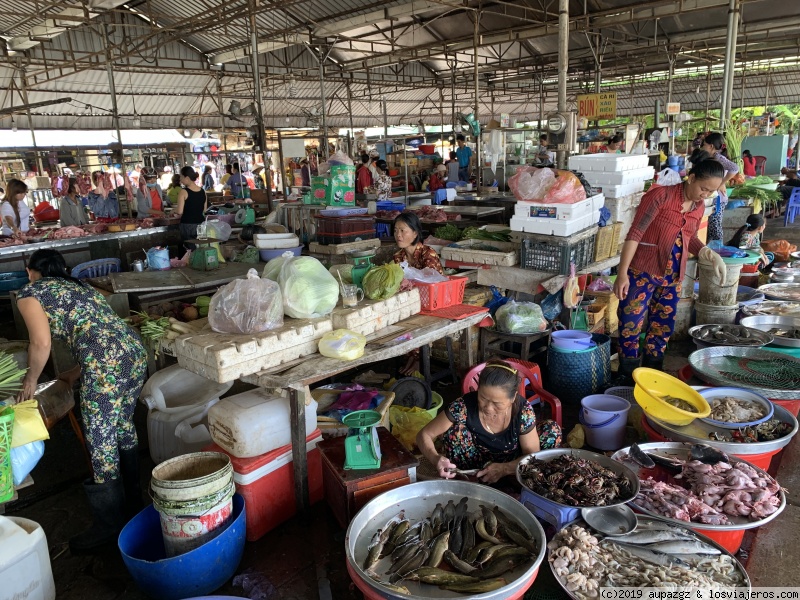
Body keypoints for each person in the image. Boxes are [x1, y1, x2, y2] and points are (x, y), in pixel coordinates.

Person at [15, 249, 147, 552]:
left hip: (106, 364)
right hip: (133, 353)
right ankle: (134, 504)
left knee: (100, 440)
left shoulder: (30, 291)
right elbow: (100, 334)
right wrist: (73, 374)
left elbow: (41, 342)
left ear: (30, 270)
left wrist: (31, 380)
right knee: (123, 425)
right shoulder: (81, 287)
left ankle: (110, 524)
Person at [613, 150, 728, 379]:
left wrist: (707, 252)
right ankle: (627, 375)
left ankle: (652, 375)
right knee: (630, 325)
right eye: (703, 188)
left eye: (710, 192)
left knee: (662, 328)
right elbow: (635, 233)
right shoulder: (660, 196)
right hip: (642, 272)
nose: (704, 195)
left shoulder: (697, 207)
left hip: (673, 277)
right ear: (691, 177)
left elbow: (690, 236)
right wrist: (622, 273)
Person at [417, 360, 562, 483]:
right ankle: (469, 481)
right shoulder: (463, 406)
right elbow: (424, 434)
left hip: (513, 464)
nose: (488, 407)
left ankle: (514, 481)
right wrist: (436, 459)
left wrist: (504, 468)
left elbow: (532, 455)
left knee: (551, 431)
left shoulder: (523, 412)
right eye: (483, 398)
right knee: (454, 431)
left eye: (497, 403)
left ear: (513, 398)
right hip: (474, 465)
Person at [392, 211, 442, 375]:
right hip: (412, 302)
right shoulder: (398, 257)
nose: (398, 235)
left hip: (435, 301)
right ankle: (412, 357)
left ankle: (419, 359)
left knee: (418, 320)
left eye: (402, 231)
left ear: (414, 233)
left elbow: (433, 283)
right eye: (395, 231)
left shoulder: (429, 253)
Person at [702, 132, 739, 242]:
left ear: (711, 146)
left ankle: (718, 249)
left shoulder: (718, 157)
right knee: (712, 225)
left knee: (715, 225)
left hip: (718, 198)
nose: (703, 147)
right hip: (714, 196)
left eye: (704, 145)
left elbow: (734, 168)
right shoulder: (711, 157)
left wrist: (721, 183)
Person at [176, 166, 208, 241]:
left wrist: (173, 210)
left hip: (187, 225)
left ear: (186, 178)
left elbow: (179, 211)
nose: (180, 180)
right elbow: (205, 210)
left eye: (181, 177)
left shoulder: (183, 191)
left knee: (189, 249)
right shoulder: (203, 191)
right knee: (200, 248)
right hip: (201, 225)